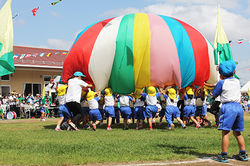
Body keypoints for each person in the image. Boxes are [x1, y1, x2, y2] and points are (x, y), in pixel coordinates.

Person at [212, 60, 248, 163]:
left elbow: (214, 94)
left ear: (221, 74)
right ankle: (243, 154)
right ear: (234, 71)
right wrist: (222, 72)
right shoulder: (237, 81)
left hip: (228, 107)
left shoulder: (221, 82)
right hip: (238, 107)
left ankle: (223, 155)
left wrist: (219, 77)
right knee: (237, 132)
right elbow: (231, 77)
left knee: (226, 132)